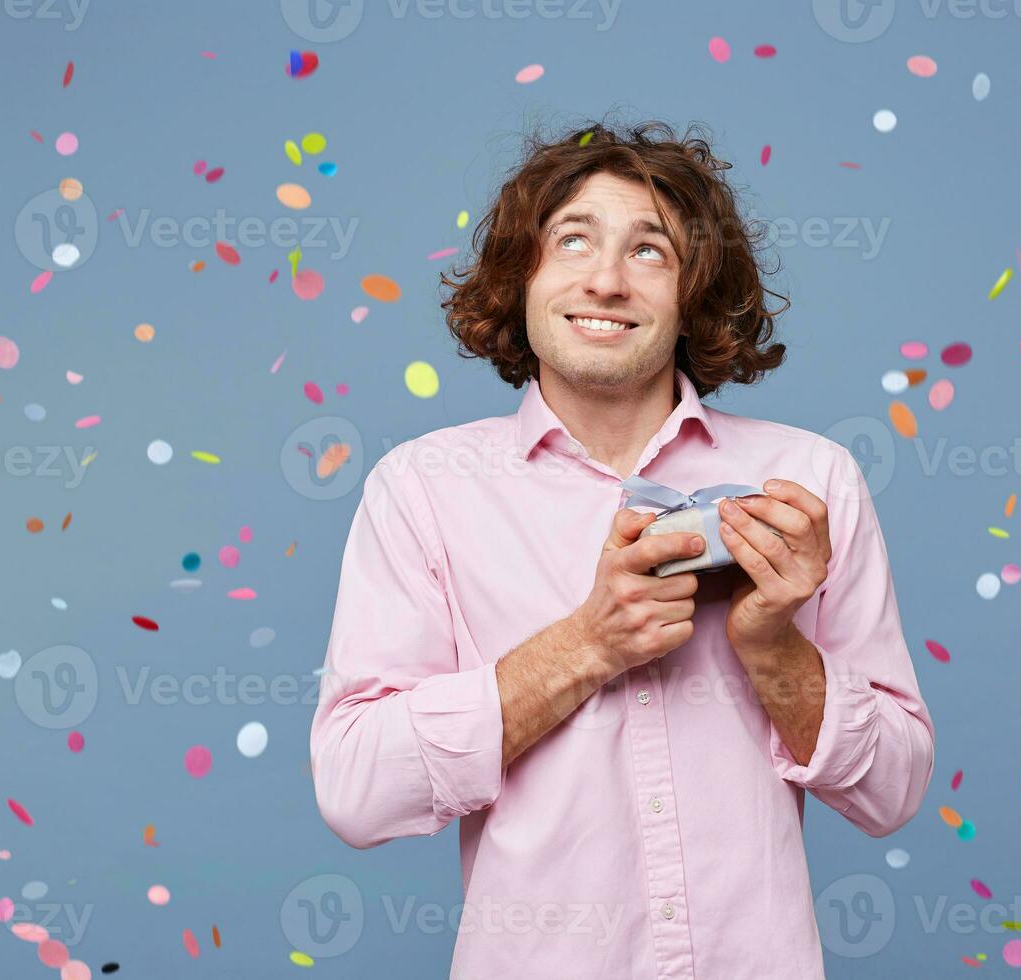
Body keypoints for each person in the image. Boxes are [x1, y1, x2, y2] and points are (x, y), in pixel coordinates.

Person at [309, 117, 935, 979]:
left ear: (694, 294)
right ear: (519, 278)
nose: (605, 281)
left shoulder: (808, 479)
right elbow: (356, 789)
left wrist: (774, 647)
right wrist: (586, 645)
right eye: (572, 241)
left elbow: (893, 793)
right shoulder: (423, 489)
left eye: (650, 251)